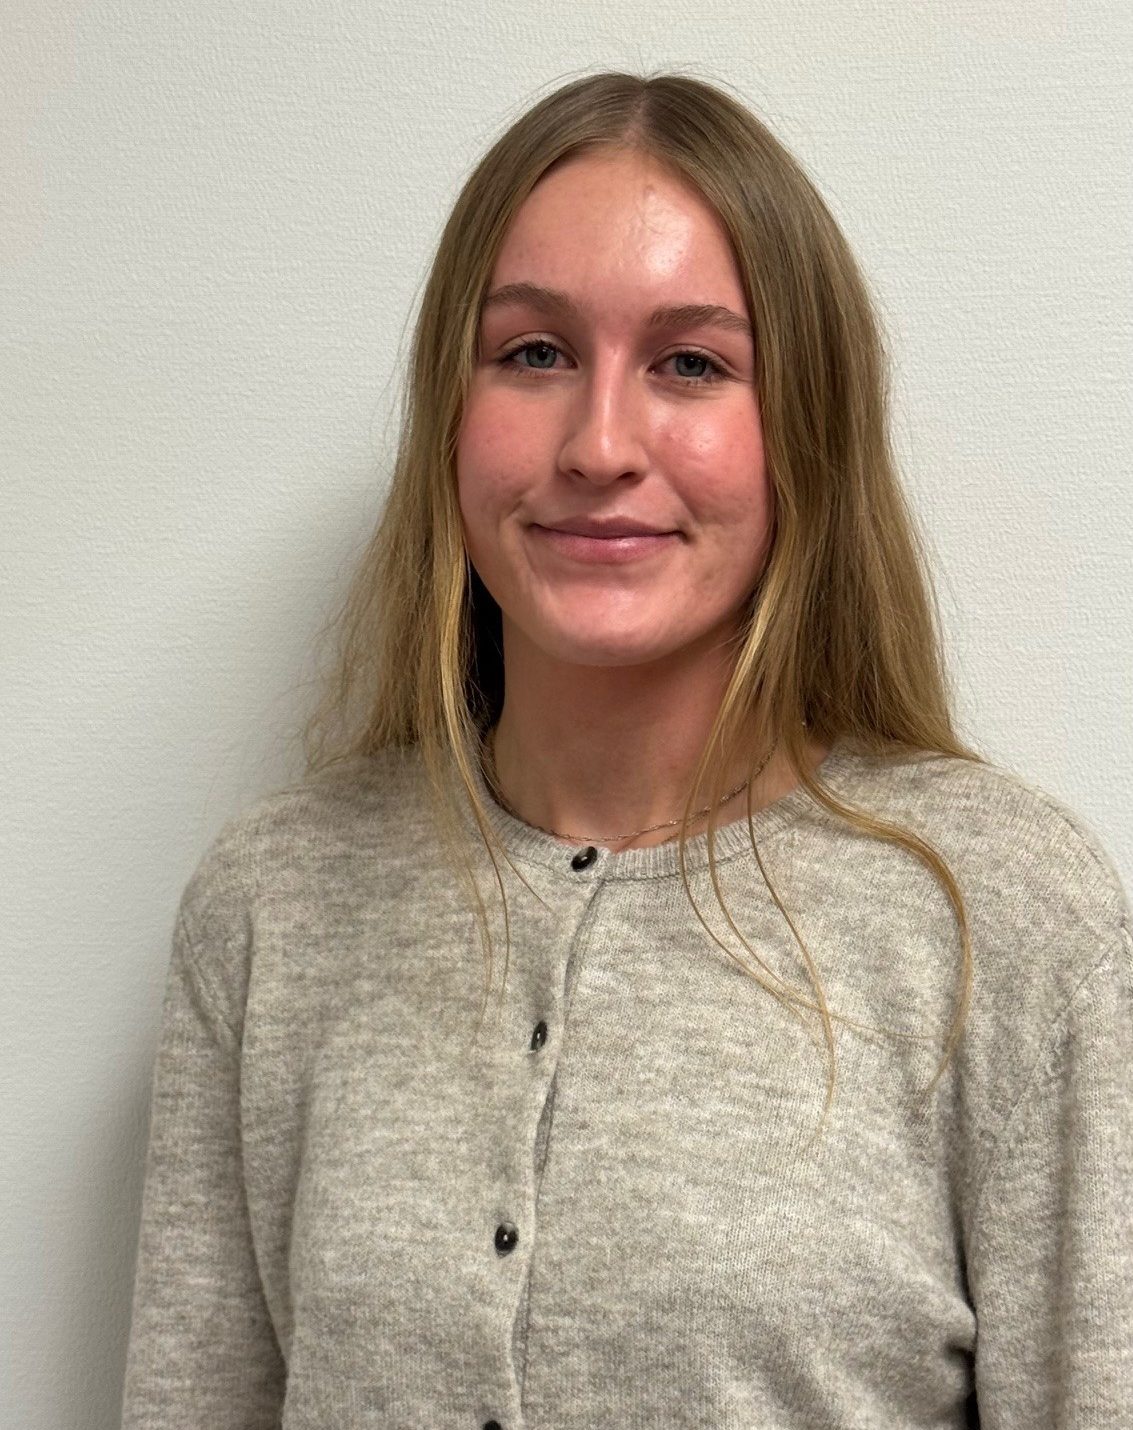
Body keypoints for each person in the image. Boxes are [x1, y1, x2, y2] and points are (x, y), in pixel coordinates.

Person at [121, 71, 1132, 1430]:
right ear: (449, 407)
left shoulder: (1000, 913)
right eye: (534, 352)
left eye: (691, 364)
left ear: (805, 430)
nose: (599, 444)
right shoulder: (274, 904)